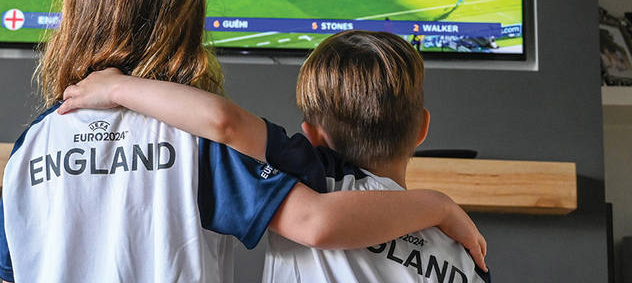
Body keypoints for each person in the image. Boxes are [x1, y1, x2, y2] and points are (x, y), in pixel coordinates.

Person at [0, 0, 486, 283]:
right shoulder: (193, 134)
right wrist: (438, 204)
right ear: (182, 26)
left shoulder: (34, 139)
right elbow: (314, 221)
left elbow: (15, 268)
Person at [57, 31, 490, 282]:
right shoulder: (469, 252)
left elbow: (223, 122)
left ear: (312, 136)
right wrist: (440, 206)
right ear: (421, 129)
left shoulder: (317, 175)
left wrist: (115, 87)